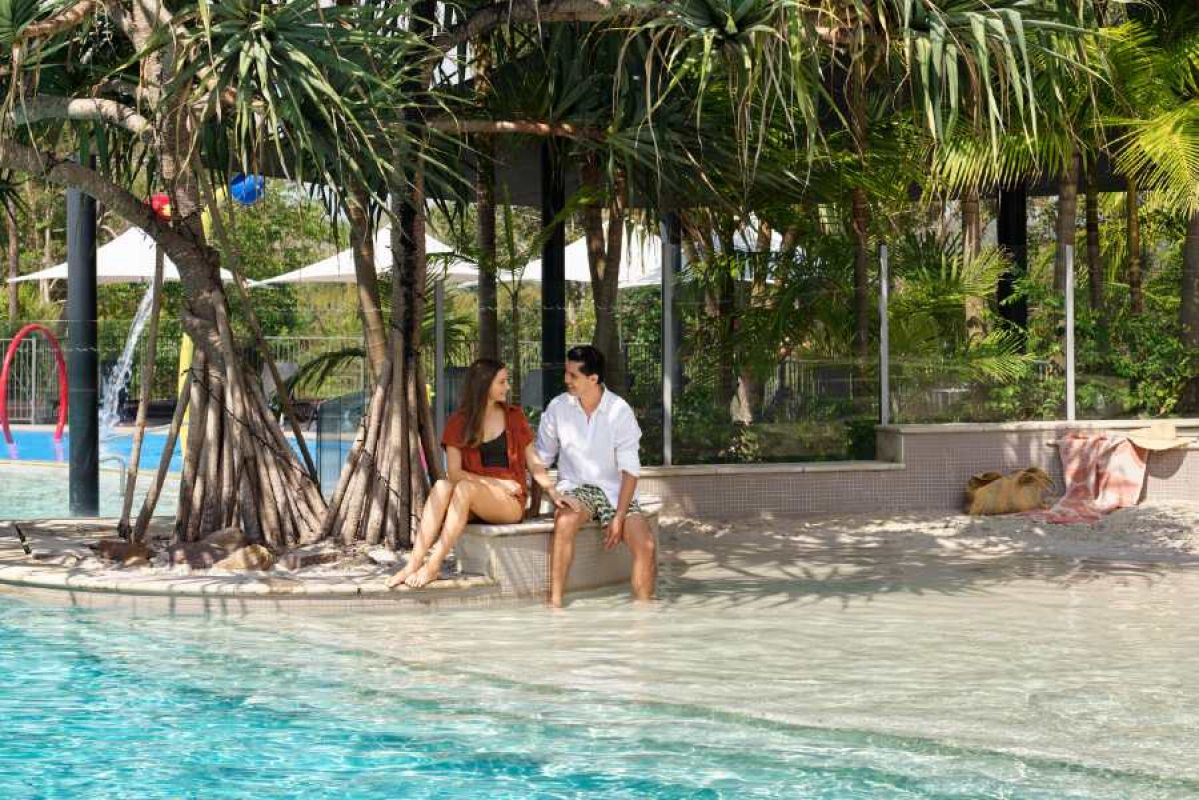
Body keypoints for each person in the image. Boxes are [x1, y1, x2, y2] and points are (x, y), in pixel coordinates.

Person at [388, 358, 562, 589]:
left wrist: (553, 491)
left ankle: (433, 565)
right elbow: (454, 473)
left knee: (464, 488)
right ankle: (413, 563)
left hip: (508, 502)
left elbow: (534, 462)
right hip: (472, 497)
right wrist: (496, 483)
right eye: (502, 382)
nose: (507, 387)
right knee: (442, 486)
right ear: (484, 385)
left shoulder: (514, 416)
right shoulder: (459, 422)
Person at [537, 345, 656, 607]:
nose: (566, 380)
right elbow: (540, 460)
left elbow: (630, 471)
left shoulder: (619, 411)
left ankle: (644, 614)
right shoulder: (557, 407)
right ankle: (555, 605)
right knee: (565, 521)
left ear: (593, 379)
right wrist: (545, 496)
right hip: (576, 487)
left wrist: (619, 517)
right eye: (566, 373)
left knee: (646, 545)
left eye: (573, 376)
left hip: (615, 491)